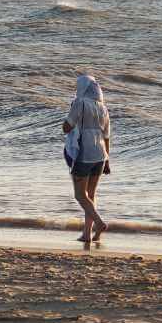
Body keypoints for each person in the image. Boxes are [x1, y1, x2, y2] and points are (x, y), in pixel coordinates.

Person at [63, 72, 110, 246]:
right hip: (100, 155)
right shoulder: (103, 107)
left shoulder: (79, 102)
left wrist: (67, 116)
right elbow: (107, 136)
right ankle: (87, 234)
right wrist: (107, 160)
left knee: (80, 195)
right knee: (91, 194)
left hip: (84, 153)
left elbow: (67, 127)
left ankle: (99, 222)